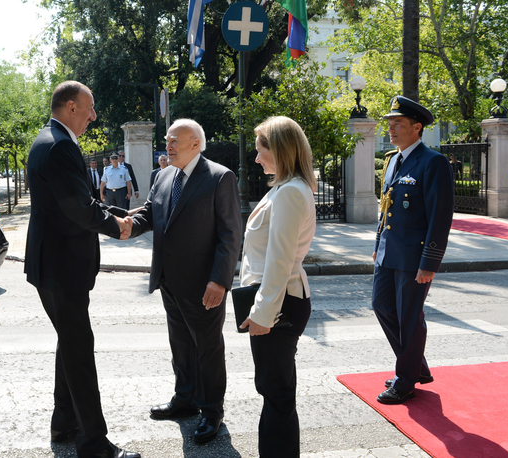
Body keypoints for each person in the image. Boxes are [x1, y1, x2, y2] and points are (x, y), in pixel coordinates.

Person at [24, 81, 139, 458]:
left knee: (69, 344)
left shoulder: (51, 139)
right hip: (61, 267)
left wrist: (117, 213)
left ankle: (64, 424)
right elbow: (76, 208)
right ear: (71, 106)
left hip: (56, 265)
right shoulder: (58, 145)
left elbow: (75, 200)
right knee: (78, 349)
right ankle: (93, 443)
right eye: (89, 108)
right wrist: (115, 227)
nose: (93, 115)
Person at [128, 119, 241, 444]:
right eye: (168, 139)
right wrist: (126, 225)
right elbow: (151, 213)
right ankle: (185, 399)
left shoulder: (220, 177)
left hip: (204, 284)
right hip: (170, 281)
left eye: (175, 140)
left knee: (207, 349)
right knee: (180, 345)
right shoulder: (163, 176)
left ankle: (211, 412)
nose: (169, 145)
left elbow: (231, 235)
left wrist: (219, 281)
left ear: (196, 143)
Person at [238, 116, 317, 457]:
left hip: (279, 302)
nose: (257, 159)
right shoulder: (286, 189)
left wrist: (262, 314)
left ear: (281, 151)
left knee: (277, 394)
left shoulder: (289, 194)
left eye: (261, 151)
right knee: (275, 390)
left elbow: (280, 261)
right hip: (278, 299)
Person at [372, 96, 454, 405]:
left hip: (414, 257)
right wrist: (377, 245)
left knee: (409, 316)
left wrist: (430, 262)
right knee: (382, 306)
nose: (391, 128)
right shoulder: (393, 159)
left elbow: (440, 215)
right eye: (390, 123)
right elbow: (387, 209)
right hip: (388, 252)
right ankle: (416, 366)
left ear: (416, 128)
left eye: (398, 123)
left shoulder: (433, 162)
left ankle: (405, 380)